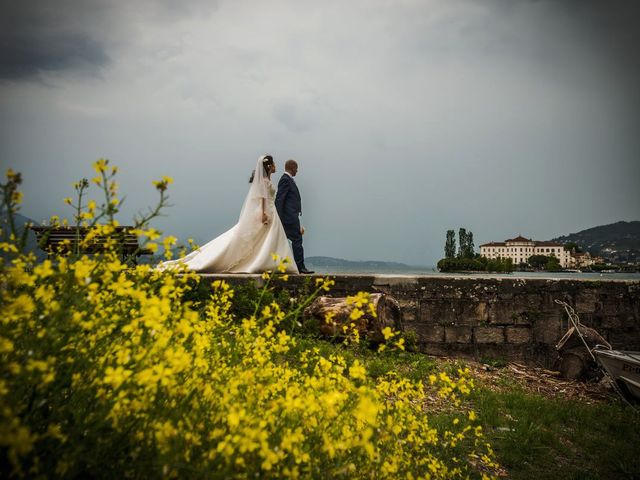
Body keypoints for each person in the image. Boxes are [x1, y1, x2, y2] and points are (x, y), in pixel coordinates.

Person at [159, 155, 298, 274]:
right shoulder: (265, 181)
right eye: (273, 164)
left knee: (268, 239)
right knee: (260, 239)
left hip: (270, 210)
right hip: (266, 211)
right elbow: (263, 198)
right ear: (269, 166)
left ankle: (269, 262)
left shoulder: (267, 180)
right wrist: (264, 213)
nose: (275, 166)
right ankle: (264, 262)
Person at [275, 159, 314, 274]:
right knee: (297, 240)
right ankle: (300, 267)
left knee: (289, 240)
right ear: (292, 168)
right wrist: (279, 218)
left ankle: (295, 266)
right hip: (289, 218)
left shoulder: (288, 180)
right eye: (296, 168)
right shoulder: (285, 180)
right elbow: (280, 200)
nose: (297, 171)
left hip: (291, 217)